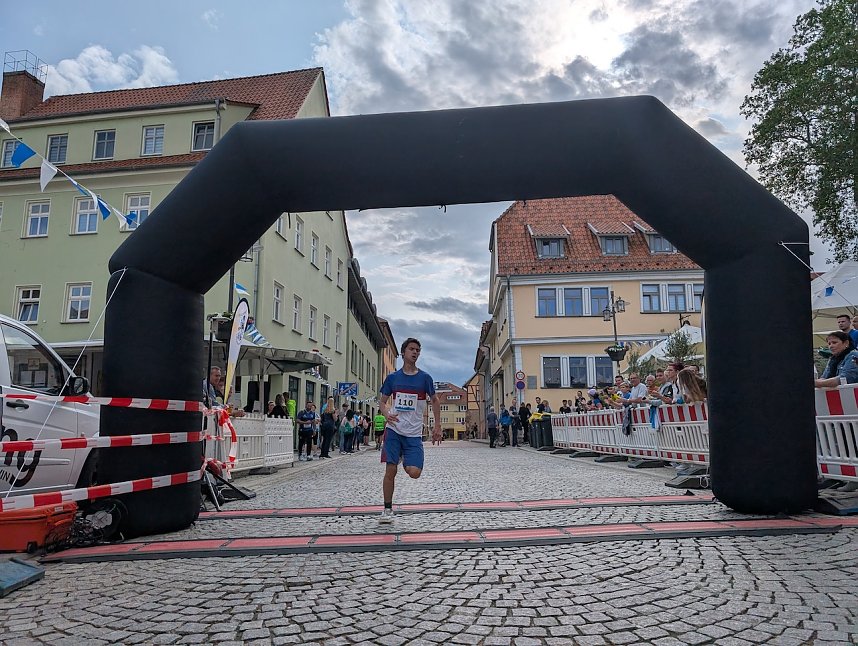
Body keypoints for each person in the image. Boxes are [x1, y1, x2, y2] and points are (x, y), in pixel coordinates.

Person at [377, 338, 442, 524]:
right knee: (390, 470)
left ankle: (405, 458)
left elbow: (435, 401)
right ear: (404, 352)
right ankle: (387, 509)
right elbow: (382, 401)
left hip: (413, 433)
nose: (415, 352)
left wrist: (437, 426)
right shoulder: (393, 378)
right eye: (412, 349)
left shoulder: (425, 378)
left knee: (414, 472)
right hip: (394, 430)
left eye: (418, 350)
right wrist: (386, 413)